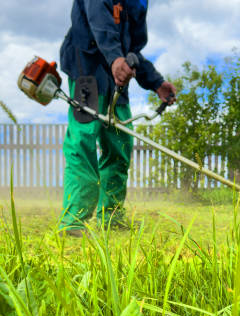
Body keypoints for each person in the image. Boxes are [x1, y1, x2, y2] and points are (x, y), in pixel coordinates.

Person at [58, 0, 176, 236]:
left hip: (116, 78)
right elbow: (99, 23)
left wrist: (155, 82)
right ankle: (73, 221)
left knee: (120, 144)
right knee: (83, 139)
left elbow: (134, 50)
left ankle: (110, 217)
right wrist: (115, 58)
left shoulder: (139, 3)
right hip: (87, 70)